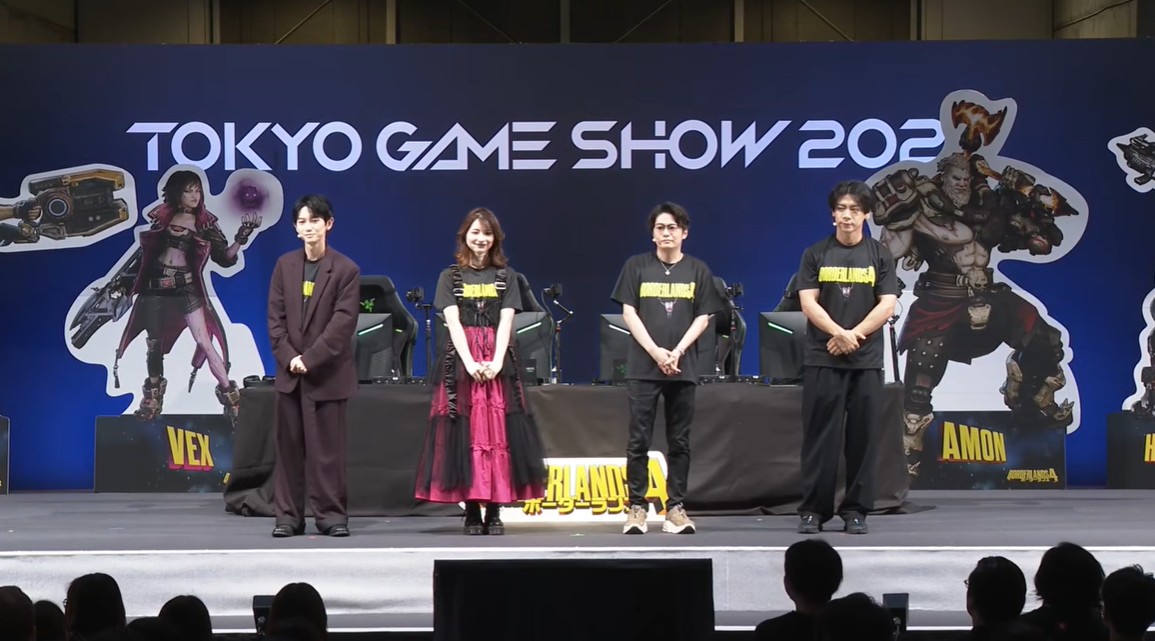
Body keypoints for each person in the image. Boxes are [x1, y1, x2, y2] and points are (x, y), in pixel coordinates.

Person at [415, 207, 547, 535]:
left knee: (498, 433)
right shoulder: (450, 276)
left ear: (495, 239)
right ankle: (472, 509)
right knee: (466, 432)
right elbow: (452, 322)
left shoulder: (507, 276)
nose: (481, 239)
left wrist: (498, 360)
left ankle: (496, 509)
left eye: (487, 233)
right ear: (465, 236)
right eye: (475, 232)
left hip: (499, 361)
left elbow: (506, 321)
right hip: (462, 363)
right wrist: (470, 362)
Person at [104, 170, 261, 425]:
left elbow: (224, 258)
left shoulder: (205, 224)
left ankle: (232, 399)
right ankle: (153, 399)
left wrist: (241, 239)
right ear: (177, 193)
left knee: (204, 341)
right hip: (155, 286)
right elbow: (144, 256)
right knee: (154, 343)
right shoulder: (162, 218)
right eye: (188, 191)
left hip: (185, 287)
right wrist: (125, 283)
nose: (194, 196)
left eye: (197, 190)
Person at [611, 202, 724, 535]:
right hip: (643, 367)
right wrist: (655, 352)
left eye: (672, 227)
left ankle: (675, 508)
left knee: (680, 441)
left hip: (682, 366)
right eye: (660, 228)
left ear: (684, 232)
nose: (666, 233)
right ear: (652, 234)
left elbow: (703, 317)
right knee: (638, 441)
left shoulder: (698, 270)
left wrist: (676, 352)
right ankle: (636, 508)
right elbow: (629, 313)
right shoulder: (635, 266)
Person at [795, 180, 898, 535]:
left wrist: (853, 336)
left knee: (861, 440)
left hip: (865, 362)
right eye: (841, 209)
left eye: (855, 210)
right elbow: (808, 302)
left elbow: (887, 304)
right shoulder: (815, 254)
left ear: (866, 215)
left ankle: (856, 510)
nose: (847, 216)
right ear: (832, 214)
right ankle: (813, 511)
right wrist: (838, 333)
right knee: (819, 440)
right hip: (823, 359)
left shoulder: (880, 255)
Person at [267, 194, 360, 538]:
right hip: (290, 376)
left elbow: (342, 325)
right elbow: (275, 319)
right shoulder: (284, 265)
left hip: (327, 377)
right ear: (296, 228)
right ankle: (288, 517)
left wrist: (310, 359)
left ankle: (331, 516)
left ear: (328, 224)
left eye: (315, 221)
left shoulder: (346, 270)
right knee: (289, 452)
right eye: (302, 222)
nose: (308, 228)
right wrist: (290, 357)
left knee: (327, 454)